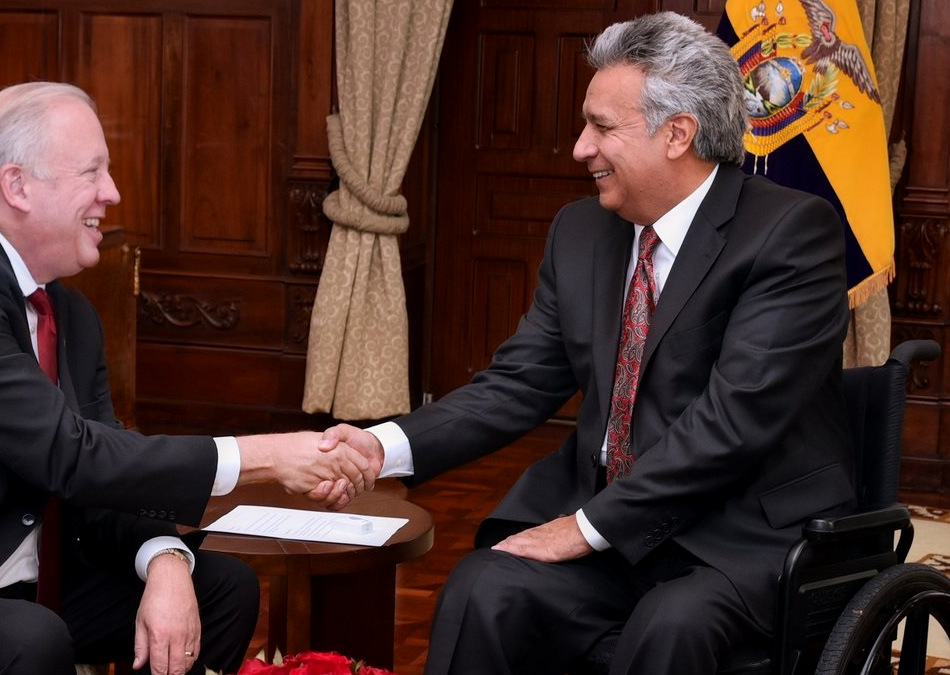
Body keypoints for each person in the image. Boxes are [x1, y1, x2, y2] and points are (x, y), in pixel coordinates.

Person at [322, 11, 854, 675]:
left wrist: (584, 526)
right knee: (484, 588)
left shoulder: (788, 234)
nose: (579, 148)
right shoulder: (581, 232)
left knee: (671, 626)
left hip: (739, 535)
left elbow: (735, 422)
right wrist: (382, 446)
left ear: (677, 134)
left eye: (601, 127)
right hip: (613, 528)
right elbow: (517, 383)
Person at [0, 81, 374, 675]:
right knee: (29, 637)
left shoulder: (69, 313)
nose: (112, 193)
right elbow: (69, 453)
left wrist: (166, 558)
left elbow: (103, 473)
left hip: (15, 573)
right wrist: (268, 457)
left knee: (222, 589)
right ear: (17, 185)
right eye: (92, 172)